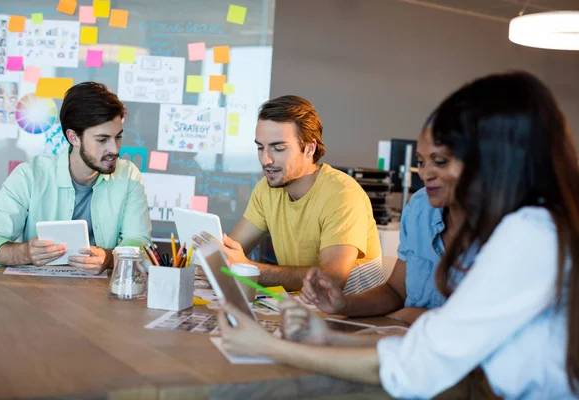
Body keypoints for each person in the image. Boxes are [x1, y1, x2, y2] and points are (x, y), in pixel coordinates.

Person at [217, 71, 579, 399]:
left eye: (447, 159)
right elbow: (427, 338)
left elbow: (418, 365)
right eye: (425, 162)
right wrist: (328, 338)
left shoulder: (530, 236)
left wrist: (271, 347)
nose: (432, 174)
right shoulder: (530, 225)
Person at [196, 95, 385, 294]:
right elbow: (233, 251)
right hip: (304, 310)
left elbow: (332, 279)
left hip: (354, 319)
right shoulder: (266, 189)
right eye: (260, 147)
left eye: (278, 148)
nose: (265, 159)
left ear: (309, 148)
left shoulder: (342, 195)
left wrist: (248, 270)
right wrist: (218, 259)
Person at [297, 112, 467, 324]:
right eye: (421, 163)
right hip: (401, 340)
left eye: (439, 162)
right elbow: (395, 292)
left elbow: (478, 326)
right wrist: (343, 304)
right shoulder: (420, 207)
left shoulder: (504, 231)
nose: (425, 174)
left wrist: (413, 316)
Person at [0, 82, 152, 273]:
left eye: (118, 137)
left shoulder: (128, 176)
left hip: (100, 296)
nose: (114, 149)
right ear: (73, 137)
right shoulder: (29, 176)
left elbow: (140, 242)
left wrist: (109, 258)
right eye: (102, 140)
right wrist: (26, 253)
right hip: (37, 294)